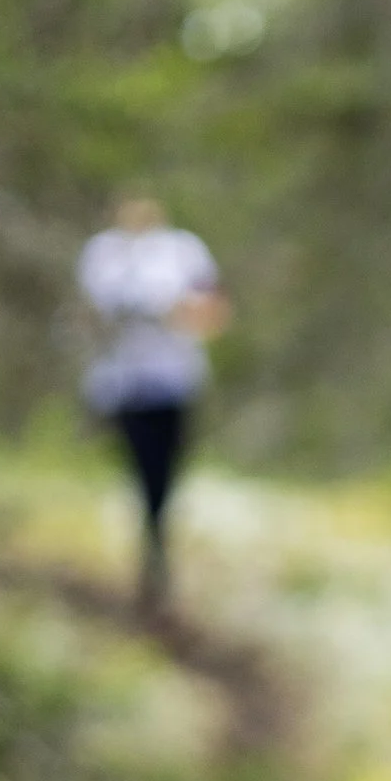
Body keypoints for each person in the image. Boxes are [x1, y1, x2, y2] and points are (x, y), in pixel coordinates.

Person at [75, 197, 228, 611]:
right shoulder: (103, 254)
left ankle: (155, 550)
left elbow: (212, 311)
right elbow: (87, 313)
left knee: (166, 472)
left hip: (175, 383)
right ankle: (148, 553)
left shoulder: (184, 252)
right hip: (123, 385)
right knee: (139, 469)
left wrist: (172, 312)